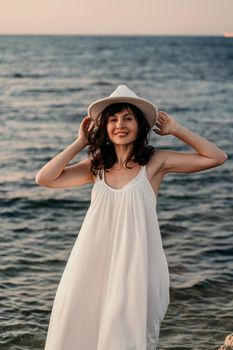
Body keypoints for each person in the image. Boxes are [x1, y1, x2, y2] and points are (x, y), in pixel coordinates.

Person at [35, 85, 227, 350]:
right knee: (77, 324)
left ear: (140, 125)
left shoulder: (155, 163)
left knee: (125, 332)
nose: (119, 125)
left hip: (136, 265)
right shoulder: (96, 167)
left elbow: (216, 157)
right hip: (92, 262)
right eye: (113, 119)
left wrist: (176, 130)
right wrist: (80, 143)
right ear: (104, 128)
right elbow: (44, 179)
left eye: (127, 118)